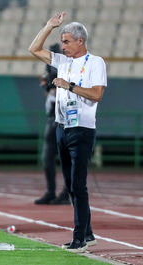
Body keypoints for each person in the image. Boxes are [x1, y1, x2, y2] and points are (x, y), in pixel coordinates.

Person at [29, 12, 106, 252]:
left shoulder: (96, 62)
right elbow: (34, 49)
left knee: (78, 185)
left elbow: (97, 94)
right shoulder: (62, 62)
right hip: (62, 128)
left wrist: (69, 86)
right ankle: (88, 233)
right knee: (72, 184)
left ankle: (79, 238)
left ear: (80, 41)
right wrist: (49, 25)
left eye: (66, 41)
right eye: (61, 42)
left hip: (82, 130)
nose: (62, 46)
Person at [35, 43, 70, 205]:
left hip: (64, 117)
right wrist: (48, 85)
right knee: (48, 157)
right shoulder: (50, 72)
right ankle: (51, 191)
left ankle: (66, 193)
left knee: (66, 158)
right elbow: (49, 91)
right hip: (52, 118)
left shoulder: (70, 68)